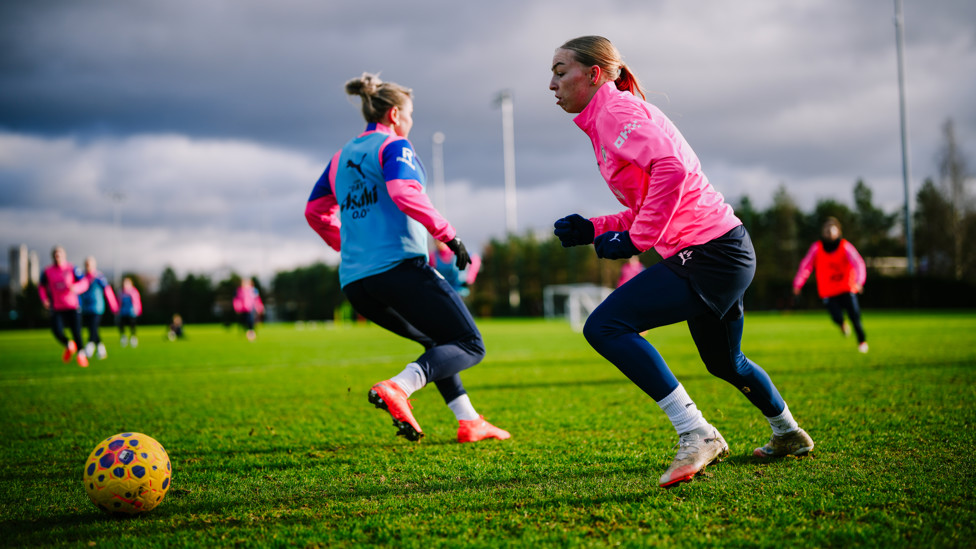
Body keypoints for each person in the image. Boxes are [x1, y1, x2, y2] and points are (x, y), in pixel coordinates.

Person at [549, 36, 813, 488]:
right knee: (725, 362)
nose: (551, 84)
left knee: (605, 326)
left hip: (709, 253)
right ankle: (788, 433)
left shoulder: (616, 112)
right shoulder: (609, 118)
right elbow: (651, 195)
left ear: (593, 75)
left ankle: (697, 433)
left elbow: (672, 170)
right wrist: (593, 228)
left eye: (559, 71)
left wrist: (635, 240)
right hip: (723, 249)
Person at [305, 72, 509, 444]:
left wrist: (347, 244)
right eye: (411, 114)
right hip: (401, 269)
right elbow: (403, 192)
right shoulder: (393, 146)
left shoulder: (340, 158)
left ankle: (470, 421)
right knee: (469, 343)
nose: (412, 122)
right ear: (395, 114)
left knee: (439, 341)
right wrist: (449, 236)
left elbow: (315, 211)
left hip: (356, 282)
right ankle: (399, 387)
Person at [793, 217, 868, 353]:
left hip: (847, 287)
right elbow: (806, 266)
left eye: (831, 229)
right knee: (836, 317)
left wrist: (859, 281)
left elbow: (858, 263)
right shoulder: (816, 248)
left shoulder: (846, 246)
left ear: (838, 232)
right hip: (828, 291)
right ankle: (842, 324)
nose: (828, 232)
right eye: (826, 230)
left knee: (855, 316)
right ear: (823, 232)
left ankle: (862, 341)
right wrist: (798, 284)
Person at [38, 245, 91, 367]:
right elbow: (41, 286)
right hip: (57, 307)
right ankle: (69, 344)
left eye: (60, 254)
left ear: (64, 255)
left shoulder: (72, 269)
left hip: (73, 306)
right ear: (53, 256)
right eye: (56, 254)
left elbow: (84, 282)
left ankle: (81, 355)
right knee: (56, 331)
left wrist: (76, 288)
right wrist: (44, 299)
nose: (58, 257)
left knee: (76, 331)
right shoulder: (47, 271)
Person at [79, 256, 119, 360]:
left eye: (90, 264)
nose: (88, 266)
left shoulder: (99, 277)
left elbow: (107, 290)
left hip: (97, 307)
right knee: (93, 329)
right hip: (86, 308)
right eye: (86, 264)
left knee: (93, 326)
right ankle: (101, 350)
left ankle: (89, 347)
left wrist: (113, 305)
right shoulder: (82, 277)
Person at [117, 277, 142, 347]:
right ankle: (123, 338)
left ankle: (133, 338)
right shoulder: (121, 292)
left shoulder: (134, 292)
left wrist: (138, 310)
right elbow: (118, 302)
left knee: (132, 325)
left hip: (132, 312)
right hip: (123, 312)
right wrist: (117, 310)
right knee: (122, 325)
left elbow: (137, 302)